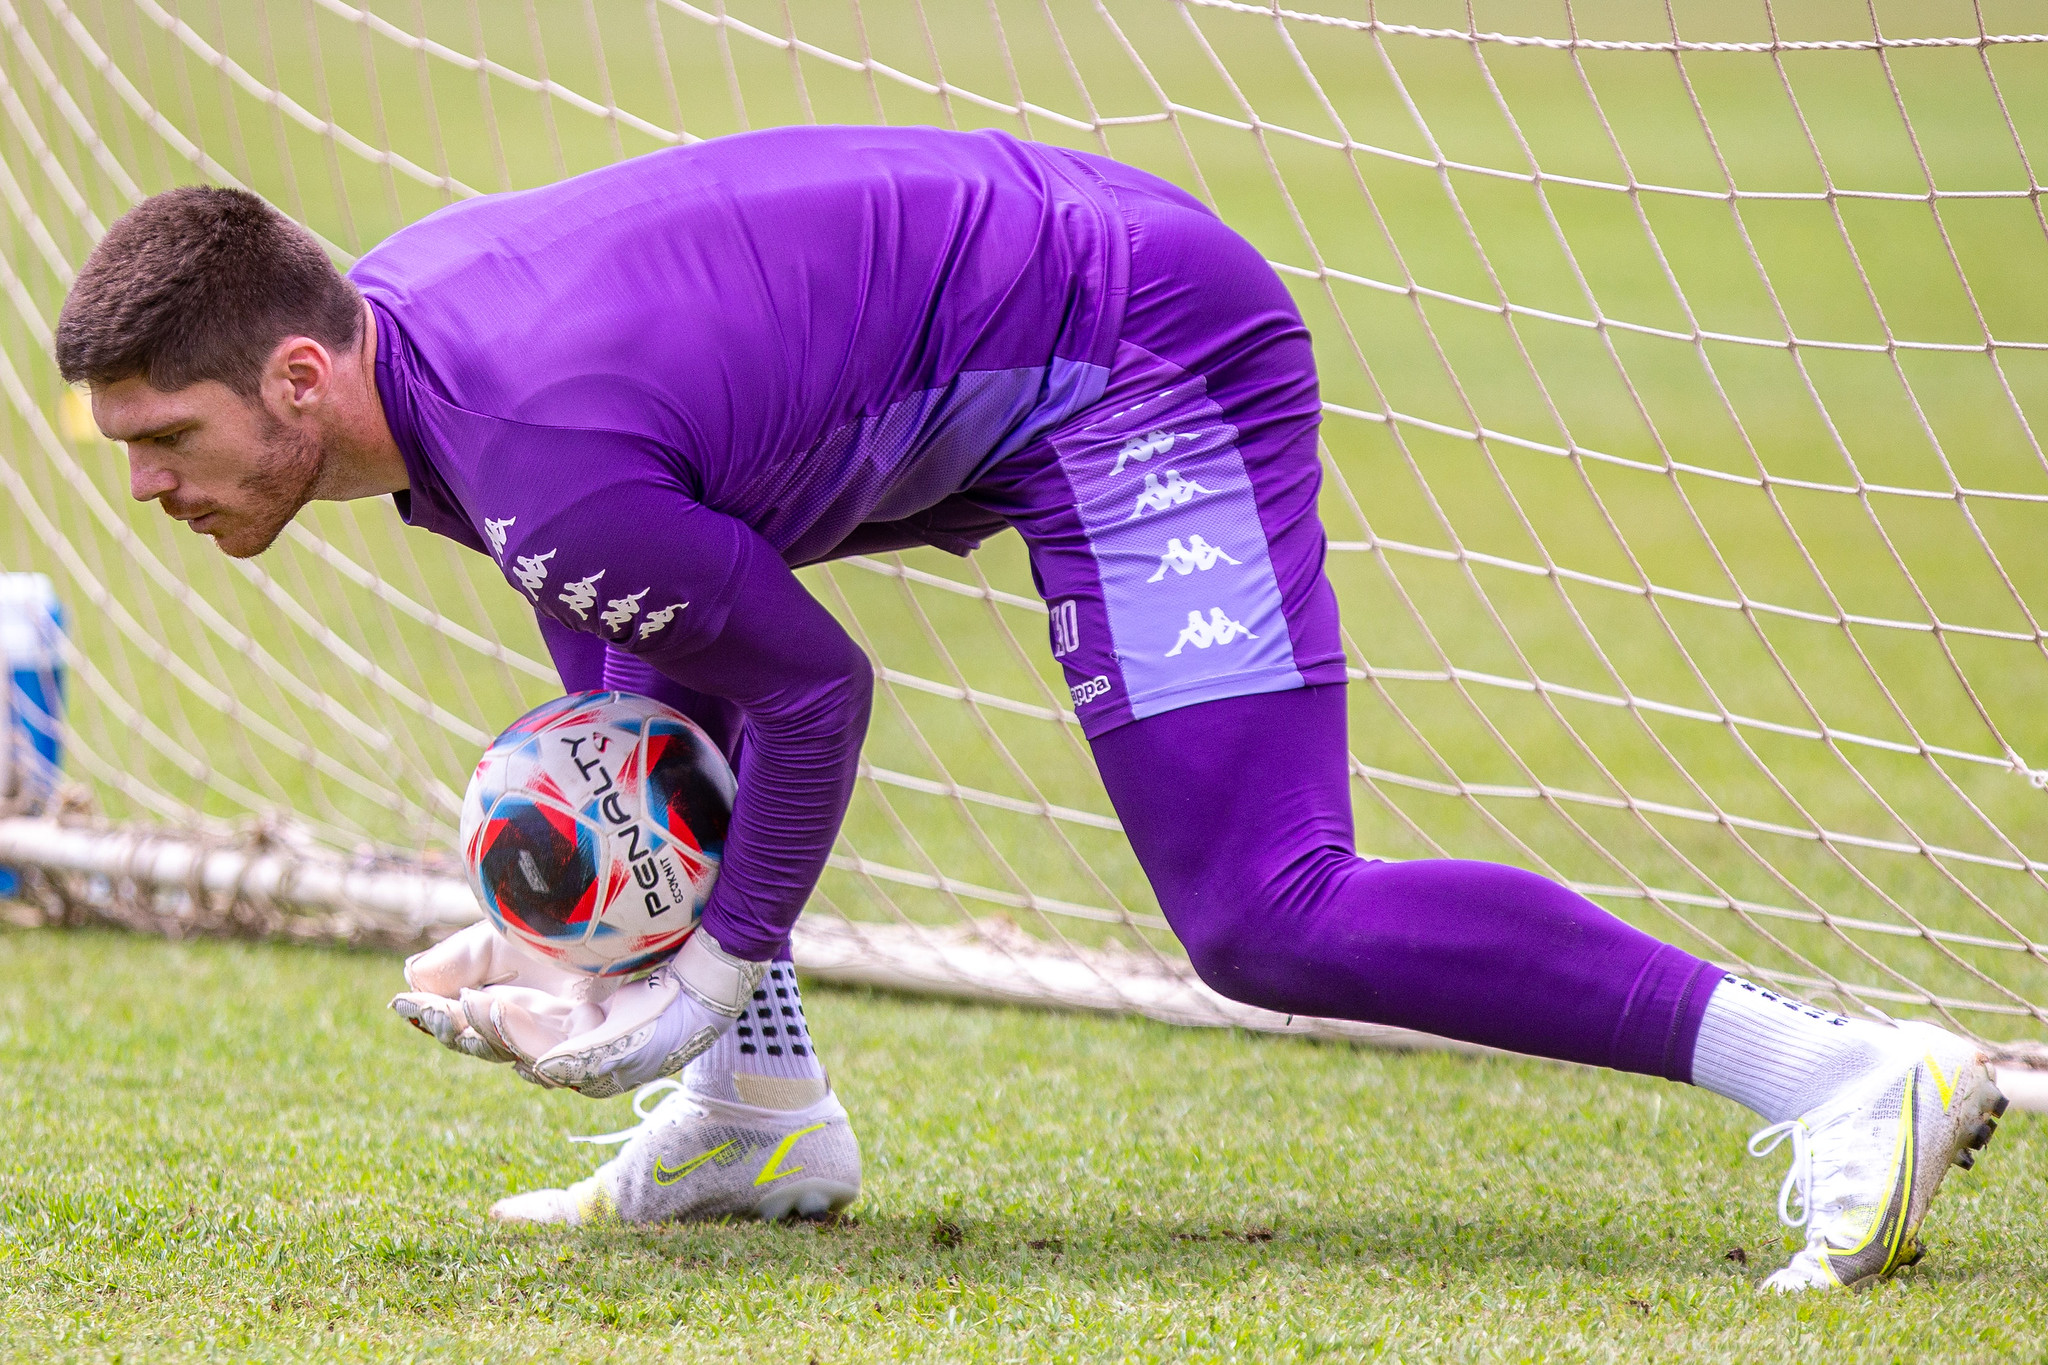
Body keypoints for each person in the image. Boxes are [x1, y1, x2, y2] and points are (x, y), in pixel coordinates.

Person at [54, 125, 2006, 1291]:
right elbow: (664, 685)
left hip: (1134, 359)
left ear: (301, 379)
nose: (148, 487)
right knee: (618, 684)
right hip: (1029, 330)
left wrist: (698, 964)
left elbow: (812, 690)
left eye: (167, 438)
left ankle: (1844, 1073)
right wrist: (594, 923)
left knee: (1266, 910)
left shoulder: (537, 454)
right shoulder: (439, 377)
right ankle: (754, 1125)